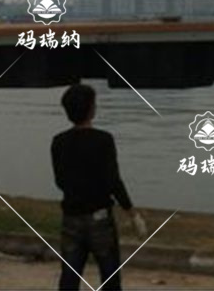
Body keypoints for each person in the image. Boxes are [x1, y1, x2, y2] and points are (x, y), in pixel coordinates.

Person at [52, 83, 146, 290]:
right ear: (91, 109)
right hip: (100, 217)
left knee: (69, 277)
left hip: (71, 217)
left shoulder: (58, 142)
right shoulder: (103, 140)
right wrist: (131, 212)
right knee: (110, 276)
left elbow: (60, 181)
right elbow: (113, 181)